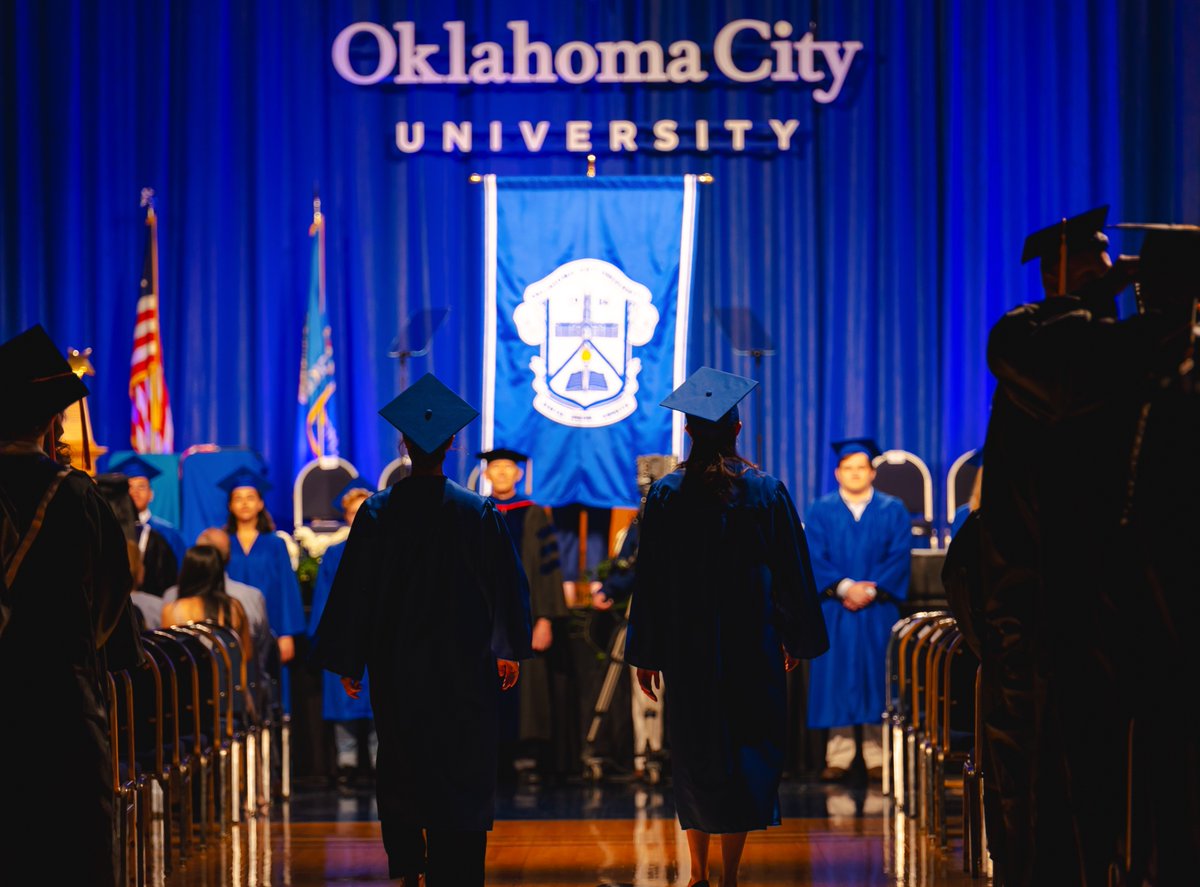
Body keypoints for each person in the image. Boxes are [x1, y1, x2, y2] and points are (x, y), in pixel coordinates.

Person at [979, 208, 1187, 884]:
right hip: (1051, 611)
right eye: (1097, 253)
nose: (1111, 263)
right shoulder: (1046, 347)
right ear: (1062, 265)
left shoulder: (1130, 357)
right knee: (1052, 790)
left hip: (1116, 611)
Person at [311, 373, 532, 887]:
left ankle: (409, 868)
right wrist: (505, 648)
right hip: (465, 665)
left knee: (404, 765)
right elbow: (505, 585)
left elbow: (356, 591)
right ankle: (459, 873)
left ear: (403, 444)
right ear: (453, 444)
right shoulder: (477, 511)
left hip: (399, 665)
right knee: (463, 765)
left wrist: (351, 658)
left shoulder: (378, 513)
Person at [626, 367, 828, 887]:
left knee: (695, 754)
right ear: (737, 430)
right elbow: (791, 572)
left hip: (690, 650)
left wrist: (645, 651)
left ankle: (698, 875)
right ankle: (730, 875)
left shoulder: (668, 495)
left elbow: (650, 581)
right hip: (751, 646)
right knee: (744, 752)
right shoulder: (767, 492)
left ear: (689, 432)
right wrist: (793, 635)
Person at [0, 324, 140, 886]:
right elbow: (110, 603)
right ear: (51, 419)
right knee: (66, 835)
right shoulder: (77, 494)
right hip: (58, 694)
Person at [803, 438, 910, 782]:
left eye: (861, 468)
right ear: (837, 473)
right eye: (847, 468)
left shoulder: (892, 509)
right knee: (838, 678)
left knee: (879, 677)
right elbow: (814, 556)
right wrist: (846, 587)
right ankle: (840, 754)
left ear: (872, 472)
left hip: (878, 608)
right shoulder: (821, 509)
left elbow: (898, 555)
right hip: (837, 607)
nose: (854, 474)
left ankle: (880, 756)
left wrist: (871, 588)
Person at [478, 447, 568, 781]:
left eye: (508, 468)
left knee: (529, 692)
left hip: (525, 618)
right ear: (486, 474)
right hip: (484, 621)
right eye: (496, 468)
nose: (501, 473)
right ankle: (491, 757)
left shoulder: (533, 514)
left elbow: (548, 572)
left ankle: (526, 757)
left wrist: (545, 618)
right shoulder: (477, 512)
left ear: (518, 474)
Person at [309, 480, 377, 786]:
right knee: (343, 701)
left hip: (379, 636)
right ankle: (346, 763)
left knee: (380, 702)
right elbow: (324, 598)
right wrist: (326, 638)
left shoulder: (390, 547)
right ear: (347, 516)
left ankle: (380, 763)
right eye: (353, 511)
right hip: (347, 635)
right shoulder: (335, 553)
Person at [220, 468, 304, 710]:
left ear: (260, 503)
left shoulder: (275, 544)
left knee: (272, 695)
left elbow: (287, 590)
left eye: (250, 498)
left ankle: (274, 744)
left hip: (272, 629)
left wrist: (287, 634)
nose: (244, 504)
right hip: (231, 629)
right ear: (230, 505)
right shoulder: (224, 542)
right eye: (238, 498)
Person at [163, 545, 255, 668]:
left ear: (186, 572)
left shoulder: (171, 610)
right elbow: (246, 654)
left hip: (190, 684)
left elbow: (170, 658)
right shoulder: (234, 607)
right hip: (228, 683)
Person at [110, 454, 187, 596]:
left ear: (151, 494)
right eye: (129, 487)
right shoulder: (111, 530)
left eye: (141, 487)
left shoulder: (168, 534)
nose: (135, 492)